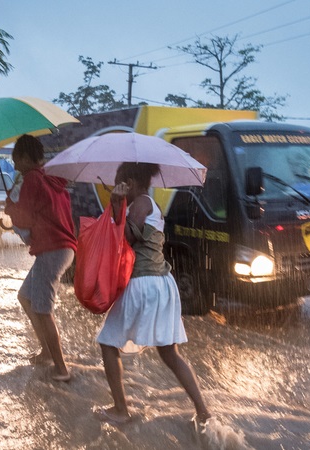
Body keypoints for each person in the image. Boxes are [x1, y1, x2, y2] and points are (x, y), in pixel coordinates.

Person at [94, 162, 212, 431]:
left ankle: (121, 410)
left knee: (108, 343)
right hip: (161, 283)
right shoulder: (151, 205)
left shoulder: (141, 203)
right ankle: (203, 412)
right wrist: (118, 207)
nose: (115, 188)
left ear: (130, 183)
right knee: (170, 353)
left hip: (143, 283)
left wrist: (116, 205)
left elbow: (126, 238)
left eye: (119, 183)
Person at [5, 134, 77, 381]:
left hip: (52, 249)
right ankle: (46, 352)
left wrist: (10, 207)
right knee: (25, 297)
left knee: (43, 310)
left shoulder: (32, 179)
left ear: (26, 158)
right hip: (62, 248)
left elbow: (25, 218)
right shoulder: (51, 177)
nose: (15, 166)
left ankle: (61, 369)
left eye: (16, 160)